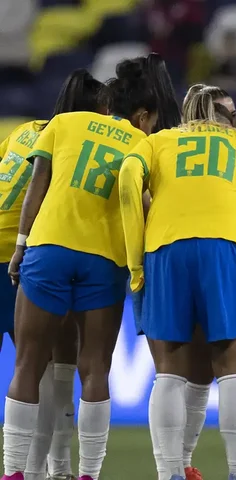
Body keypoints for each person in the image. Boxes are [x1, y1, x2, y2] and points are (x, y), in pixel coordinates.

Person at [1, 54, 169, 480]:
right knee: (95, 368)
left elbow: (37, 186)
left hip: (50, 247)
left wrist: (20, 247)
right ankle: (88, 474)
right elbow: (145, 205)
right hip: (104, 259)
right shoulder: (141, 142)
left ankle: (13, 472)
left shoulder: (63, 124)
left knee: (28, 364)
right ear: (140, 113)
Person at [119, 87, 236, 480]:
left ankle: (169, 472)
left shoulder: (158, 141)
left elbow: (126, 181)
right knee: (232, 367)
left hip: (165, 246)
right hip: (226, 245)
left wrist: (134, 257)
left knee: (169, 370)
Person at [0, 69, 103, 480]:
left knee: (35, 368)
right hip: (22, 257)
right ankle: (44, 469)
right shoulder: (78, 145)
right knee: (44, 368)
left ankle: (42, 468)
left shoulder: (25, 130)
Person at [143, 83, 236, 480]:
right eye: (220, 115)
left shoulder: (162, 146)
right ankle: (172, 470)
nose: (227, 123)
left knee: (199, 374)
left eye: (232, 115)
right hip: (186, 259)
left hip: (178, 256)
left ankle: (180, 465)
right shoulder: (169, 147)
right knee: (175, 369)